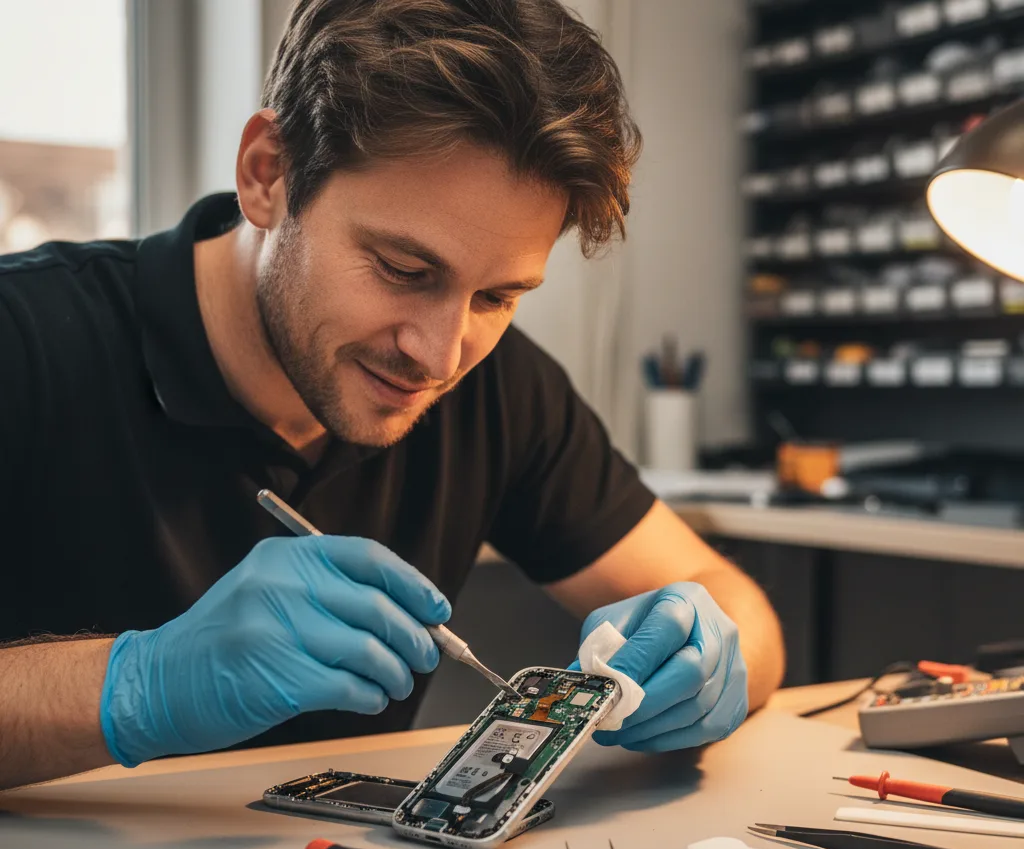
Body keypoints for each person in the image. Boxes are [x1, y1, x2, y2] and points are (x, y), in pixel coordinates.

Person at [0, 0, 784, 791]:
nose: (438, 357)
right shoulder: (27, 340)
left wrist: (705, 660)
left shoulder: (501, 386)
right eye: (405, 271)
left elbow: (739, 609)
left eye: (498, 297)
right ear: (268, 173)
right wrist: (141, 687)